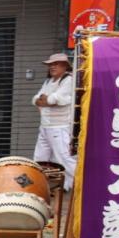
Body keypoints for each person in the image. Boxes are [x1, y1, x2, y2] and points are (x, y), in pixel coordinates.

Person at [32, 52, 76, 190]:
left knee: (65, 158)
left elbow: (53, 100)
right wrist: (45, 101)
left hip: (60, 126)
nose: (52, 67)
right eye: (50, 64)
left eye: (55, 64)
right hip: (45, 126)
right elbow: (36, 100)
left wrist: (46, 100)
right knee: (40, 159)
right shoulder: (48, 81)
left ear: (64, 66)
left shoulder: (68, 80)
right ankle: (42, 187)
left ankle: (75, 187)